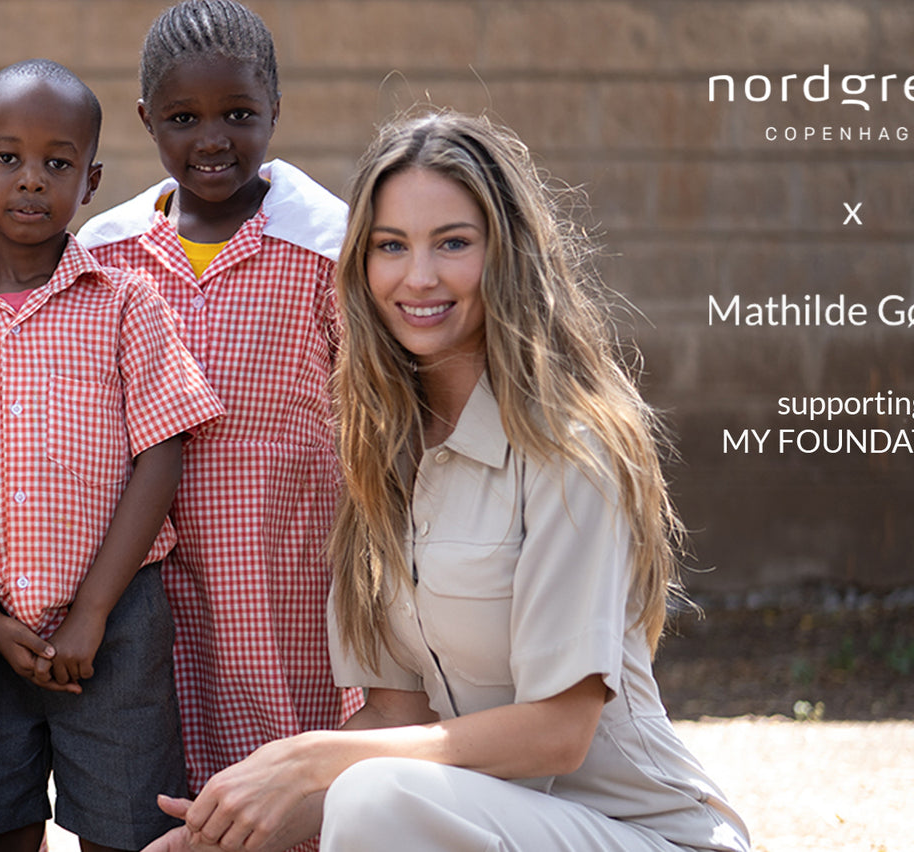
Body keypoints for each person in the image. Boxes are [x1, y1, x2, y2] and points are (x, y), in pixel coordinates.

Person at [146, 110, 752, 852]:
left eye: (454, 243)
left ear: (508, 254)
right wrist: (220, 839)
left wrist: (311, 756)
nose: (419, 277)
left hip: (644, 837)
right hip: (492, 822)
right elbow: (396, 719)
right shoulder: (378, 454)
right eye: (390, 246)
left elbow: (559, 734)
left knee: (372, 792)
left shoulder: (573, 444)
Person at [77, 0, 361, 794]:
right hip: (149, 560)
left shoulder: (327, 245)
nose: (211, 139)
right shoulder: (109, 250)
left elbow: (368, 407)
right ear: (145, 119)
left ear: (276, 108)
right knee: (165, 754)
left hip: (293, 556)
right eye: (182, 117)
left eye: (239, 114)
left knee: (297, 755)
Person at [0, 60, 222, 852]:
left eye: (57, 164)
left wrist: (94, 613)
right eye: (7, 160)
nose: (31, 182)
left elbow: (160, 454)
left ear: (91, 180)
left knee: (127, 828)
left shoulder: (128, 299)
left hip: (118, 623)